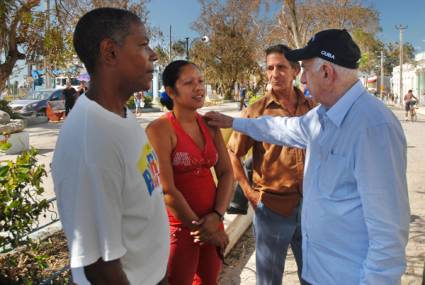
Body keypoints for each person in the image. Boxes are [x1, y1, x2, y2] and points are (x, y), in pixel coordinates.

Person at [205, 29, 410, 285]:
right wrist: (234, 122)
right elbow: (281, 129)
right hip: (319, 271)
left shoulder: (372, 126)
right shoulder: (322, 115)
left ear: (326, 72)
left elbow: (388, 233)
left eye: (305, 69)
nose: (301, 78)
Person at [51, 8, 169, 285]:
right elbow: (99, 268)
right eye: (142, 45)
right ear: (110, 52)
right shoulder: (91, 141)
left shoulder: (121, 115)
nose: (153, 54)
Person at [227, 44, 315, 285]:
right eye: (270, 68)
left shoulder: (312, 108)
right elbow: (232, 153)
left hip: (310, 208)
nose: (275, 73)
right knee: (268, 280)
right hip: (272, 209)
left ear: (296, 71)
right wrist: (250, 194)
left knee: (314, 276)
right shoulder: (256, 111)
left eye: (281, 67)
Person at [146, 60, 234, 285]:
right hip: (182, 229)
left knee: (209, 282)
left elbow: (226, 173)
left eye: (201, 81)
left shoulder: (209, 124)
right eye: (189, 83)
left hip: (213, 221)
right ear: (170, 91)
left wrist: (217, 217)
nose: (198, 87)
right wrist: (202, 229)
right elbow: (166, 190)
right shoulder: (159, 130)